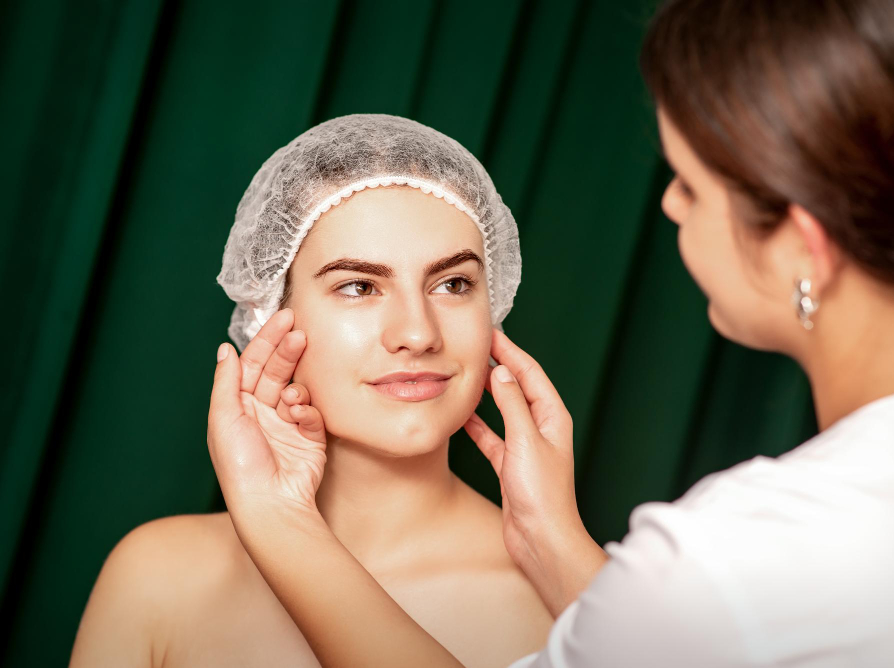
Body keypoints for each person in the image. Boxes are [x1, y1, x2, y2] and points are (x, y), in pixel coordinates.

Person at [206, 0, 894, 665]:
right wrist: (552, 540)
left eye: (689, 183)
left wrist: (277, 519)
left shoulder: (735, 561)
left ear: (803, 244)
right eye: (358, 285)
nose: (670, 208)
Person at [69, 115, 553, 668]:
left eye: (453, 283)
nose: (418, 334)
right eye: (358, 286)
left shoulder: (569, 600)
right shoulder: (157, 579)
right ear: (268, 313)